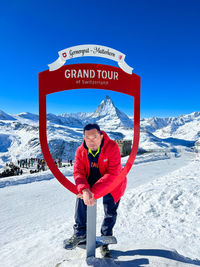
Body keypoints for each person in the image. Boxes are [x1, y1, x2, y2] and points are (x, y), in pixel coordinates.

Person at [63, 124, 127, 257]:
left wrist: (94, 193)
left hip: (113, 183)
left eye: (95, 137)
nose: (91, 141)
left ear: (101, 136)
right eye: (88, 138)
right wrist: (85, 190)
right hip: (91, 180)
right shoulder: (80, 151)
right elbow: (78, 172)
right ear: (84, 138)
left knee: (110, 210)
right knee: (81, 198)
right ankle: (80, 233)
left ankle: (105, 241)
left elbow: (113, 173)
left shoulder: (112, 147)